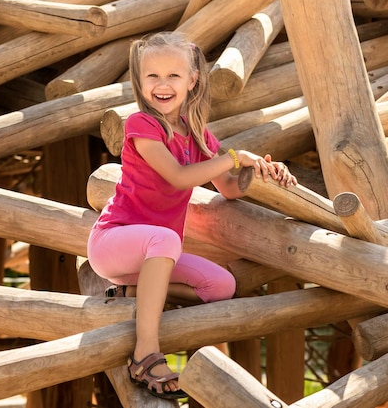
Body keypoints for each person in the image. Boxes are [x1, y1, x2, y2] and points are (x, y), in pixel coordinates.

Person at [87, 31, 297, 400]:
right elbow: (179, 177)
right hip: (113, 243)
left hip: (152, 257)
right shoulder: (142, 125)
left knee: (220, 286)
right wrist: (235, 155)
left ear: (192, 80)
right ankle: (144, 353)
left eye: (173, 75)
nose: (163, 85)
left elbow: (229, 188)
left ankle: (132, 291)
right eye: (152, 76)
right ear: (139, 81)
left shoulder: (197, 135)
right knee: (166, 238)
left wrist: (264, 171)